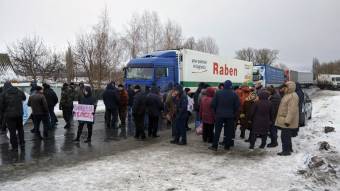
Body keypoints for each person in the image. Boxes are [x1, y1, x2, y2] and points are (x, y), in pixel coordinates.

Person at [209, 80, 240, 151]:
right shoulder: (234, 94)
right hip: (230, 116)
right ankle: (227, 146)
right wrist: (234, 114)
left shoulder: (218, 93)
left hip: (219, 115)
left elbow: (213, 104)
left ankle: (214, 146)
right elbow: (237, 106)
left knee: (217, 131)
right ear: (231, 86)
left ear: (224, 85)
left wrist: (215, 113)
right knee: (229, 131)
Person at [0, 82, 26, 151]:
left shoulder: (3, 94)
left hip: (9, 116)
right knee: (20, 129)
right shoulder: (19, 91)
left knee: (12, 131)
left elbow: (1, 106)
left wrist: (4, 112)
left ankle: (15, 147)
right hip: (19, 114)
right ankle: (22, 144)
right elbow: (24, 98)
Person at [275, 81, 299, 156]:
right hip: (284, 119)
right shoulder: (288, 95)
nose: (282, 89)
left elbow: (292, 110)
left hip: (287, 120)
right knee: (286, 136)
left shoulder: (292, 96)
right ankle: (289, 149)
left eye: (284, 88)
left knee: (284, 136)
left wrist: (287, 121)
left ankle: (286, 151)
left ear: (288, 87)